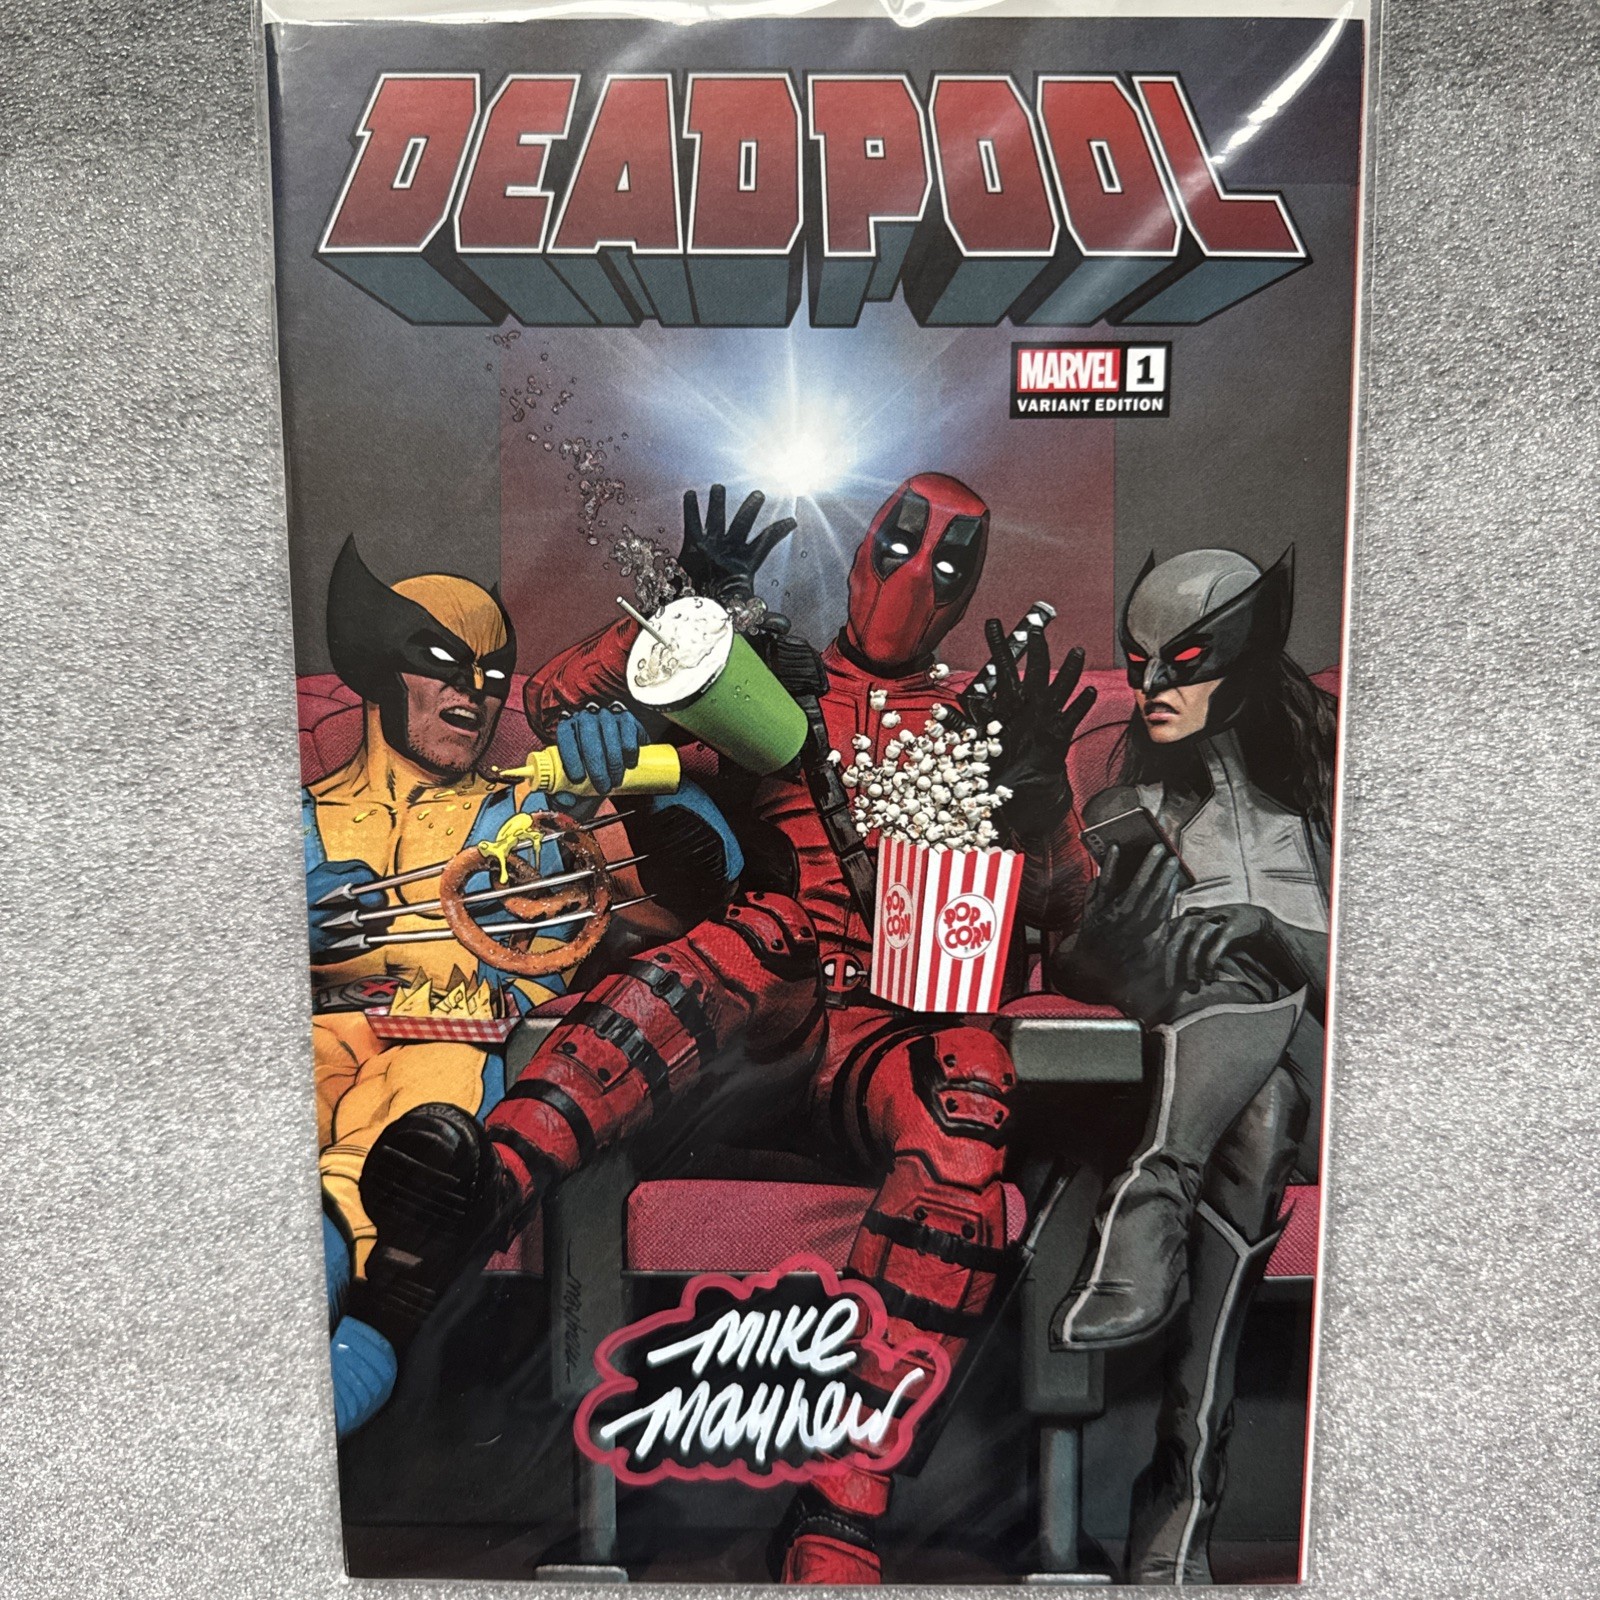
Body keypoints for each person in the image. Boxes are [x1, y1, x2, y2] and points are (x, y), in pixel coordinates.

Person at [354, 478, 1097, 1583]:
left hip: (902, 1031)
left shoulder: (991, 718)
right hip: (770, 1013)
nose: (914, 576)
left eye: (951, 562)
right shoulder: (771, 682)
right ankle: (475, 1193)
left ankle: (842, 1512)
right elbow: (559, 704)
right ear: (864, 544)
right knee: (739, 946)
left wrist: (1037, 806)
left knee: (969, 1087)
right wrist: (682, 614)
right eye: (902, 541)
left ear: (972, 587)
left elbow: (1069, 918)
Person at [309, 537, 736, 1434]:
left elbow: (712, 879)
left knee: (383, 1177)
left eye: (492, 673)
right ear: (380, 667)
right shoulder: (296, 819)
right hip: (311, 1044)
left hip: (450, 1051)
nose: (475, 690)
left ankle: (355, 1344)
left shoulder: (531, 811)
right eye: (442, 661)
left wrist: (634, 775)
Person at [1049, 547, 1335, 1583]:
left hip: (1345, 1078)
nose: (1152, 687)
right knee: (1261, 1114)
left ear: (1248, 653)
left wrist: (1272, 933)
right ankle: (1185, 1486)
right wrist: (1120, 949)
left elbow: (1409, 983)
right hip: (1207, 1092)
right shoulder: (1121, 800)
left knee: (1258, 1003)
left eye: (1185, 661)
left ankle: (1151, 1199)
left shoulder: (1333, 782)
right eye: (1139, 663)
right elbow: (1072, 966)